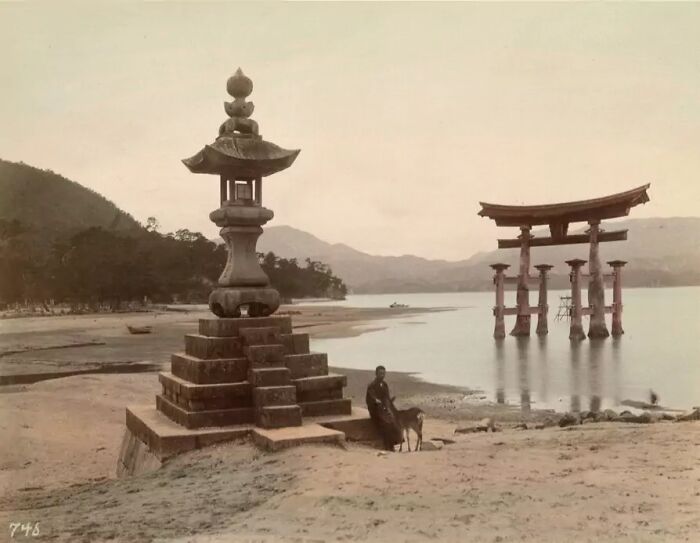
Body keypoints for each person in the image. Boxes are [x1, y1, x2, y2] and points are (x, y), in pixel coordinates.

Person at [366, 365, 402, 451]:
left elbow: (386, 398)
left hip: (383, 408)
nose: (382, 375)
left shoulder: (385, 384)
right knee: (386, 423)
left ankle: (393, 444)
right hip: (375, 410)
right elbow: (372, 398)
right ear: (376, 374)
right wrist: (377, 401)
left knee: (395, 420)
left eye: (383, 373)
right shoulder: (372, 385)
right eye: (380, 373)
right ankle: (387, 446)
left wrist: (390, 402)